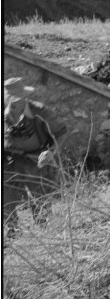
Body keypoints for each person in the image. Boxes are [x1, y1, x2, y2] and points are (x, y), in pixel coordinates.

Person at [3, 77, 67, 237]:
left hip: (35, 160)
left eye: (19, 96)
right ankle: (12, 231)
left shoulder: (40, 111)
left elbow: (61, 133)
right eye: (12, 98)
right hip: (9, 161)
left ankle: (46, 233)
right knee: (5, 197)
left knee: (39, 196)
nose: (16, 101)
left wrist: (51, 151)